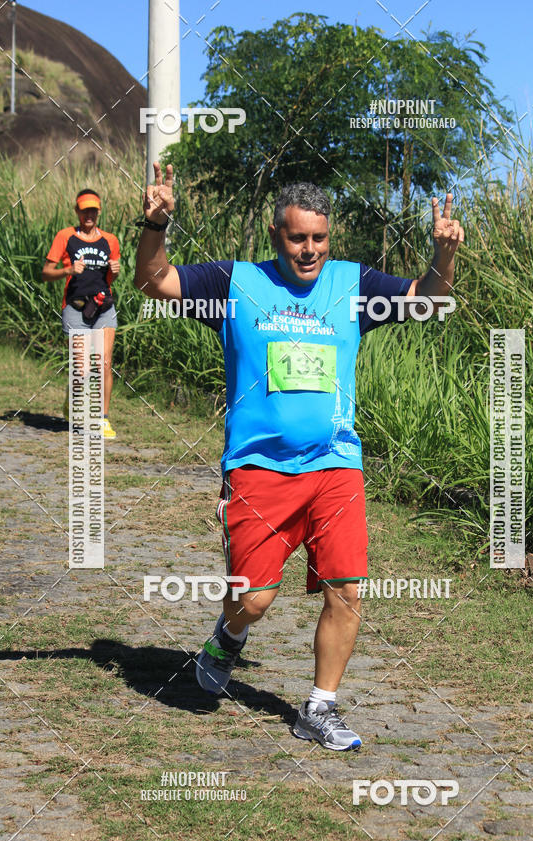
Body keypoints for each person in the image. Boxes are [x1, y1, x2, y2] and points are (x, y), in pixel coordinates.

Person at [134, 162, 464, 751]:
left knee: (347, 588)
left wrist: (443, 257)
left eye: (318, 238)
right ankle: (226, 639)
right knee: (255, 599)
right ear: (274, 235)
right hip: (258, 469)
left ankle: (320, 706)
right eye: (296, 238)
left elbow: (430, 301)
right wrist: (154, 224)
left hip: (336, 464)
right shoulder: (234, 285)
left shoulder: (352, 284)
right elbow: (153, 282)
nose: (308, 250)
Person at [42, 188, 121, 439]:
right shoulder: (65, 236)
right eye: (84, 209)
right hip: (75, 307)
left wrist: (116, 272)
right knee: (82, 367)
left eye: (93, 210)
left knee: (104, 362)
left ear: (98, 212)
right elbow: (45, 273)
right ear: (77, 211)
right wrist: (68, 271)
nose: (89, 214)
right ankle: (71, 399)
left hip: (103, 307)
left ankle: (103, 419)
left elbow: (110, 278)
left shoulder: (110, 240)